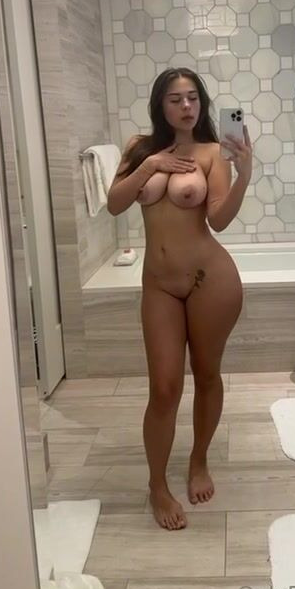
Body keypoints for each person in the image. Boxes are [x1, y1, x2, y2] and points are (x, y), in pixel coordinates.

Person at [104, 67, 254, 531]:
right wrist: (151, 165)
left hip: (210, 280)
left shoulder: (212, 152)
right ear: (160, 105)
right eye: (175, 99)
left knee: (207, 375)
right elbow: (114, 203)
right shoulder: (139, 148)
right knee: (164, 388)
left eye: (193, 98)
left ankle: (199, 459)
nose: (186, 106)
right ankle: (156, 485)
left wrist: (244, 173)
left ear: (201, 104)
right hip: (160, 286)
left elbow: (219, 220)